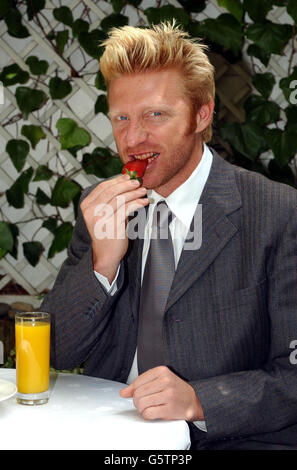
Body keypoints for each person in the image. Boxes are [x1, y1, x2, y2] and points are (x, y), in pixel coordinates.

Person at [41, 22, 297, 450]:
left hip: (228, 438)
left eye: (155, 115)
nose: (133, 137)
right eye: (122, 118)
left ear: (202, 115)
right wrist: (102, 262)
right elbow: (54, 354)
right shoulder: (101, 207)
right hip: (107, 429)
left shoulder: (278, 213)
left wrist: (201, 400)